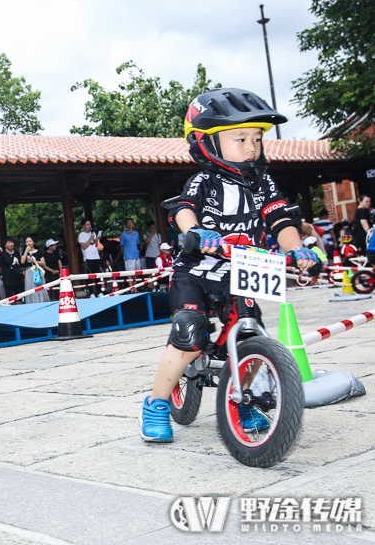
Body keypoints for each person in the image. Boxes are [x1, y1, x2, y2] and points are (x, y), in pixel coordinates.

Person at [140, 88, 319, 443]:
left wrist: (299, 249)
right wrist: (197, 232)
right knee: (189, 332)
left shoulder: (263, 183)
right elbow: (183, 209)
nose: (252, 146)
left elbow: (279, 220)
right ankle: (156, 403)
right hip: (196, 272)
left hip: (240, 272)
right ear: (207, 143)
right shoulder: (203, 181)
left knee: (250, 331)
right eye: (240, 138)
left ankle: (245, 399)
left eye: (257, 138)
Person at [21, 236, 49, 304]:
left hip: (37, 271)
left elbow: (43, 263)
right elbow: (22, 262)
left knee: (40, 287)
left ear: (33, 242)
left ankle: (42, 302)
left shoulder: (39, 252)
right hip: (29, 272)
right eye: (27, 242)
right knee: (30, 288)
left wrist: (34, 261)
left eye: (30, 241)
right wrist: (26, 251)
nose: (28, 243)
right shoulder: (24, 252)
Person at [79, 221, 102, 297]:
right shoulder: (81, 235)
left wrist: (96, 239)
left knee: (97, 275)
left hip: (96, 256)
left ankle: (99, 292)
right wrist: (91, 238)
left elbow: (93, 244)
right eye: (87, 224)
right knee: (89, 276)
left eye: (90, 224)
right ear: (83, 226)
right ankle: (91, 292)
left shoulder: (93, 233)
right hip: (88, 257)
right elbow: (84, 246)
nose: (89, 226)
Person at [118, 218, 141, 287]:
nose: (130, 224)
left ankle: (135, 287)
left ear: (133, 224)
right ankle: (131, 288)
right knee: (130, 273)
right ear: (126, 225)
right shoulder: (123, 235)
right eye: (128, 223)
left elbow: (138, 244)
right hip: (128, 256)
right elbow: (121, 246)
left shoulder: (137, 234)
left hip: (136, 255)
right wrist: (124, 254)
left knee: (136, 273)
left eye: (131, 222)